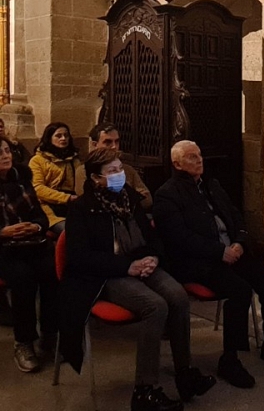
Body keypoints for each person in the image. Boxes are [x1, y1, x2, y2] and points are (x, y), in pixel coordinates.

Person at [58, 148, 215, 411]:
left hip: (141, 262)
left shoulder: (129, 198)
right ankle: (145, 390)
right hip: (106, 274)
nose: (120, 175)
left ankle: (185, 373)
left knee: (177, 295)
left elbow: (151, 235)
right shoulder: (81, 209)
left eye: (120, 169)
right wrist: (127, 266)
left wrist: (152, 257)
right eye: (113, 171)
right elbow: (80, 257)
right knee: (156, 305)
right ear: (96, 179)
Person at [153, 140, 264, 390]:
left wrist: (240, 241)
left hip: (231, 253)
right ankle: (229, 359)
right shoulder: (167, 194)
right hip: (198, 262)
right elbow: (179, 238)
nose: (199, 160)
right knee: (239, 291)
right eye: (191, 157)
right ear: (177, 164)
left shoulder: (211, 184)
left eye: (199, 155)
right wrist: (219, 251)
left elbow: (235, 215)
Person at [0, 135, 59, 373]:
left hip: (31, 243)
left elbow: (41, 216)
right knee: (23, 279)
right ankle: (23, 342)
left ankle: (50, 334)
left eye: (6, 150)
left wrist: (34, 227)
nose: (5, 155)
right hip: (4, 249)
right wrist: (3, 232)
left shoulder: (22, 178)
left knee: (51, 271)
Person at [74, 122, 152, 210]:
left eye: (117, 141)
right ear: (95, 145)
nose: (114, 147)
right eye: (108, 142)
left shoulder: (127, 169)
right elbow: (88, 201)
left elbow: (147, 199)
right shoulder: (83, 171)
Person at [29, 122, 81, 235]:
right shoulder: (37, 160)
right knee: (70, 231)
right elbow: (37, 188)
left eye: (66, 135)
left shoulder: (74, 160)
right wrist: (66, 198)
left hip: (72, 206)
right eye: (58, 136)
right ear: (49, 138)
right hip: (49, 207)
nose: (63, 138)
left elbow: (81, 182)